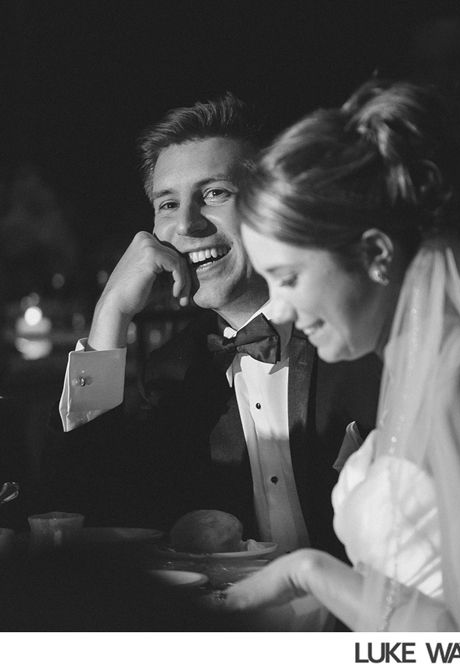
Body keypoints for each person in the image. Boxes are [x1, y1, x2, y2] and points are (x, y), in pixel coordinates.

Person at [218, 80, 460, 632]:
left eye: (290, 278)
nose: (278, 310)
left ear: (375, 253)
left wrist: (308, 572)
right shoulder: (405, 368)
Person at [45, 94, 381, 565]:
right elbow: (83, 505)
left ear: (273, 200)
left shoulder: (358, 329)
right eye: (167, 203)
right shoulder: (174, 373)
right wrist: (110, 317)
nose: (187, 223)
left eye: (215, 193)